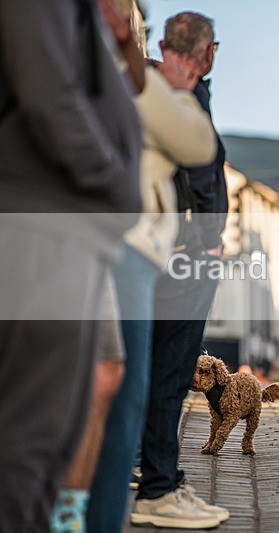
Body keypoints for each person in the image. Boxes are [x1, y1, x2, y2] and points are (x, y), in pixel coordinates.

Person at [0, 0, 142, 530]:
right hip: (46, 224)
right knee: (29, 444)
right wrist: (113, 184)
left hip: (67, 226)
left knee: (49, 441)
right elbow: (49, 94)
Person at [82, 4, 218, 531]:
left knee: (114, 387)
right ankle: (126, 506)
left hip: (127, 247)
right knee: (126, 391)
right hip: (133, 249)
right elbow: (199, 145)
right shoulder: (140, 82)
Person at [131, 11, 231, 529]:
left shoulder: (147, 82)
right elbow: (202, 168)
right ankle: (158, 487)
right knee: (168, 372)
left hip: (163, 248)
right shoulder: (170, 93)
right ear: (208, 52)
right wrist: (208, 243)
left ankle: (158, 476)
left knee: (150, 371)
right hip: (179, 251)